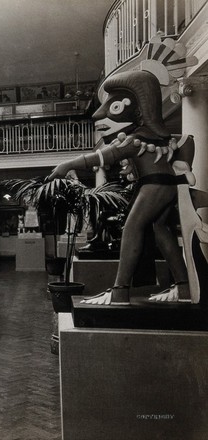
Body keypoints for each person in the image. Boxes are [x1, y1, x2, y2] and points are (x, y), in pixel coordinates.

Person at [48, 70, 192, 305]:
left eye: (114, 107)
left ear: (138, 110)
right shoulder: (151, 136)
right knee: (160, 229)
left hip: (154, 185)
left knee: (133, 228)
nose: (98, 114)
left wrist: (66, 164)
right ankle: (183, 287)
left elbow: (102, 156)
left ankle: (120, 292)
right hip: (163, 185)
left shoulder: (137, 138)